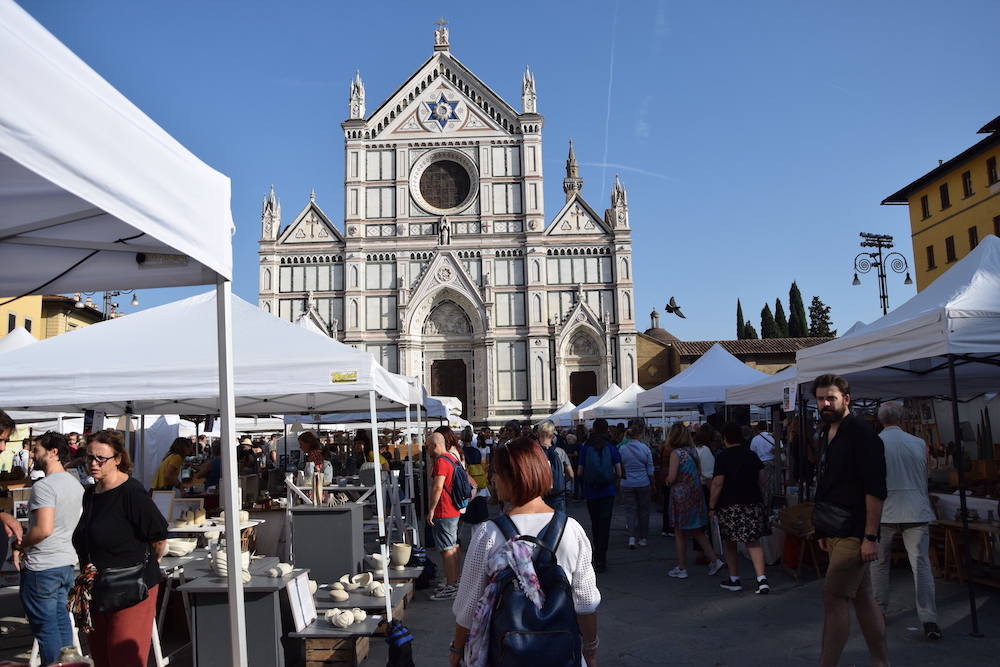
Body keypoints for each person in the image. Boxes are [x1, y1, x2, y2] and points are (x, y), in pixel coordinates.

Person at [448, 437, 601, 667]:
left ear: (515, 477)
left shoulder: (489, 534)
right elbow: (586, 604)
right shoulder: (572, 530)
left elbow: (468, 607)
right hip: (561, 654)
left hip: (506, 654)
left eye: (497, 472)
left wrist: (457, 649)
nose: (493, 479)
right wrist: (590, 648)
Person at [72, 429, 168, 667]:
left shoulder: (132, 492)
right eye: (89, 457)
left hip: (130, 586)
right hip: (97, 586)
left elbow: (158, 538)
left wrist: (141, 571)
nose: (93, 463)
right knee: (102, 658)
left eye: (100, 459)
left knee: (124, 660)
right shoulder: (91, 493)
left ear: (117, 459)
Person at [812, 374, 889, 667]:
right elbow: (829, 484)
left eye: (831, 397)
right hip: (834, 527)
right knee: (863, 597)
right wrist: (822, 527)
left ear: (847, 399)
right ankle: (881, 663)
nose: (826, 403)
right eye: (821, 398)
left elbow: (875, 488)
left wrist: (870, 535)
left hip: (855, 532)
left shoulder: (861, 434)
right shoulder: (827, 432)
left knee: (833, 599)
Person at [870, 402, 940, 639]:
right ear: (901, 420)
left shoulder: (875, 443)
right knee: (920, 565)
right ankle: (929, 617)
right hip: (916, 507)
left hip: (884, 509)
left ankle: (879, 611)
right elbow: (926, 475)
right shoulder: (919, 443)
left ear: (880, 420)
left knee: (879, 564)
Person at [14, 432, 84, 664]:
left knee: (47, 629)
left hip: (42, 567)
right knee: (61, 622)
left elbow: (43, 529)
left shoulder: (44, 487)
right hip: (64, 563)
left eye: (36, 450)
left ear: (53, 452)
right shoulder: (75, 485)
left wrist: (21, 544)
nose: (32, 454)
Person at [708, 422, 771, 594]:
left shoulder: (722, 458)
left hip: (730, 504)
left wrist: (711, 505)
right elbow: (762, 480)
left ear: (725, 438)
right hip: (752, 502)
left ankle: (734, 578)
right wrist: (761, 498)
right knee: (754, 542)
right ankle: (761, 579)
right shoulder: (751, 455)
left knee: (730, 542)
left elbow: (717, 483)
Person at [664, 422, 725, 579]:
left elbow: (671, 477)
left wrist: (667, 482)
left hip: (681, 496)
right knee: (697, 530)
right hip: (696, 494)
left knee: (679, 531)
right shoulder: (692, 451)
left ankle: (682, 567)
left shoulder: (675, 453)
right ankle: (714, 559)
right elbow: (699, 471)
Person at [576, 418, 622, 573]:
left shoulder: (585, 447)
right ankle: (602, 558)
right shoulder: (611, 447)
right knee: (605, 524)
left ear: (593, 430)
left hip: (591, 490)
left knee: (595, 523)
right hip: (607, 491)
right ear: (606, 430)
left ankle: (595, 552)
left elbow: (580, 472)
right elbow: (619, 472)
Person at [425, 432, 463, 600]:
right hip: (453, 509)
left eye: (426, 447)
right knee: (453, 546)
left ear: (435, 445)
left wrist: (431, 509)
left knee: (446, 550)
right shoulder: (452, 458)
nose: (426, 450)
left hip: (444, 510)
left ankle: (450, 586)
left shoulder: (441, 461)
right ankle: (454, 581)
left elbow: (437, 487)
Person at [618, 418, 654, 549]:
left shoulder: (622, 449)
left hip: (627, 483)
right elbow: (650, 468)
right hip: (643, 482)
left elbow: (620, 466)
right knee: (644, 511)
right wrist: (653, 483)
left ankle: (632, 536)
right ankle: (643, 537)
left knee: (630, 511)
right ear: (639, 435)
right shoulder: (645, 449)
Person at [537, 420, 574, 513]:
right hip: (558, 493)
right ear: (553, 435)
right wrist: (561, 480)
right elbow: (571, 474)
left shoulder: (534, 453)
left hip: (540, 494)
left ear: (538, 435)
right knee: (559, 521)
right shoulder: (560, 452)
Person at [750, 421, 777, 509]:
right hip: (773, 462)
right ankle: (773, 501)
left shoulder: (755, 440)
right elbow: (780, 448)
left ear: (757, 429)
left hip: (761, 463)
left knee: (763, 483)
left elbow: (752, 453)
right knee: (773, 483)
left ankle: (764, 502)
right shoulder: (773, 437)